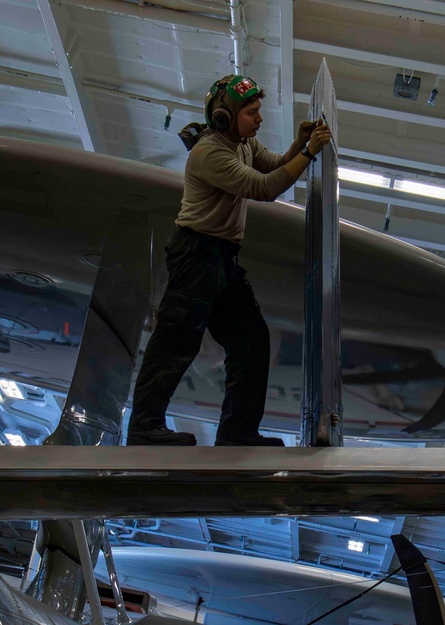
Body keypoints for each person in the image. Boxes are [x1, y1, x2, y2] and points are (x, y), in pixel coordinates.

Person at [126, 74, 331, 446]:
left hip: (221, 257)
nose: (259, 119)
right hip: (196, 254)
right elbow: (263, 188)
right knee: (176, 342)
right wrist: (310, 153)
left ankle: (237, 433)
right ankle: (143, 428)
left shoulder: (243, 142)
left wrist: (299, 144)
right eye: (252, 113)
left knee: (252, 342)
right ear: (224, 117)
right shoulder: (210, 153)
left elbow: (271, 165)